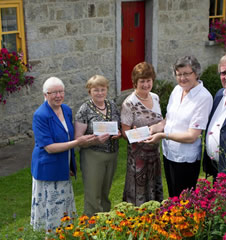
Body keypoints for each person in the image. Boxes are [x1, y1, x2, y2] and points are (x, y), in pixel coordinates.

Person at [31, 77, 96, 231]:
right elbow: (49, 147)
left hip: (63, 165)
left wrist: (70, 163)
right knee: (52, 208)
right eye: (54, 92)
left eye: (61, 91)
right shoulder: (40, 115)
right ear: (45, 95)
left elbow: (67, 136)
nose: (58, 95)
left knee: (64, 206)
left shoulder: (66, 110)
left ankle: (66, 236)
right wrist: (78, 143)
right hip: (48, 170)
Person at [145, 55, 213, 197]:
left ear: (196, 73)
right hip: (169, 153)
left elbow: (192, 136)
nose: (182, 78)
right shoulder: (177, 90)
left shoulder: (203, 97)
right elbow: (168, 118)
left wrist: (163, 135)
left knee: (184, 201)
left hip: (185, 158)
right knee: (173, 196)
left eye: (186, 74)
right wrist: (156, 127)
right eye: (178, 74)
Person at [75, 75, 121, 217]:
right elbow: (78, 138)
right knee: (93, 194)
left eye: (103, 89)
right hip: (93, 155)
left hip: (112, 154)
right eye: (96, 90)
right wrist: (95, 140)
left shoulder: (111, 105)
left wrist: (118, 133)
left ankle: (105, 224)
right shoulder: (85, 109)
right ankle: (91, 226)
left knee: (105, 192)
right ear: (90, 91)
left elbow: (117, 126)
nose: (100, 93)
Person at [121, 62, 163, 206]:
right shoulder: (129, 103)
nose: (146, 84)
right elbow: (125, 132)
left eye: (148, 80)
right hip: (137, 155)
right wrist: (137, 134)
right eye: (142, 81)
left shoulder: (155, 97)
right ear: (135, 82)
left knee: (154, 186)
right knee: (138, 190)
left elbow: (160, 121)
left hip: (154, 151)